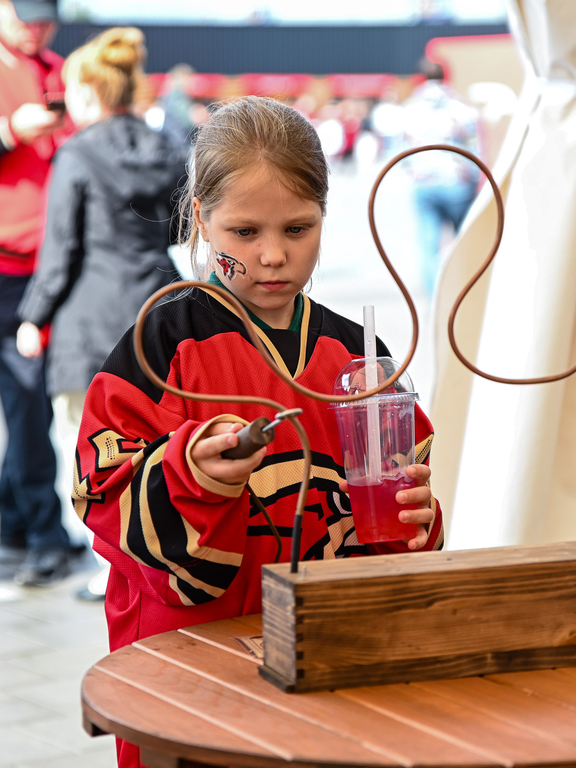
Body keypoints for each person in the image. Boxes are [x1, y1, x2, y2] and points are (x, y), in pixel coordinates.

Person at [71, 96, 443, 768]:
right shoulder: (163, 343)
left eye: (297, 229)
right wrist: (193, 475)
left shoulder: (359, 356)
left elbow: (403, 517)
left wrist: (419, 518)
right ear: (202, 220)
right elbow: (100, 493)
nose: (273, 256)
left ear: (324, 220)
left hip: (331, 673)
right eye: (244, 233)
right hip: (193, 677)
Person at [16, 26, 188, 598]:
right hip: (162, 311)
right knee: (159, 443)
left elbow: (60, 248)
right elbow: (186, 225)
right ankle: (160, 560)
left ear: (87, 94)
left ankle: (115, 571)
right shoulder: (166, 146)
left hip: (90, 320)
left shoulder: (77, 154)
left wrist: (32, 316)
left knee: (89, 449)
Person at [0, 0, 75, 586]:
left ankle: (15, 522)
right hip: (6, 265)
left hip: (49, 263)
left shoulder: (55, 67)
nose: (37, 26)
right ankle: (42, 532)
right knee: (27, 397)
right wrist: (8, 133)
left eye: (46, 16)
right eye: (27, 15)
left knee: (32, 398)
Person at [403, 58, 480, 295]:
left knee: (428, 245)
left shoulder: (412, 106)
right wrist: (474, 177)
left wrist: (413, 171)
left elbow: (401, 147)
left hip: (424, 181)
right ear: (445, 75)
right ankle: (465, 292)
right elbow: (474, 143)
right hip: (456, 180)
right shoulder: (458, 104)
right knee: (463, 241)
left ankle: (436, 296)